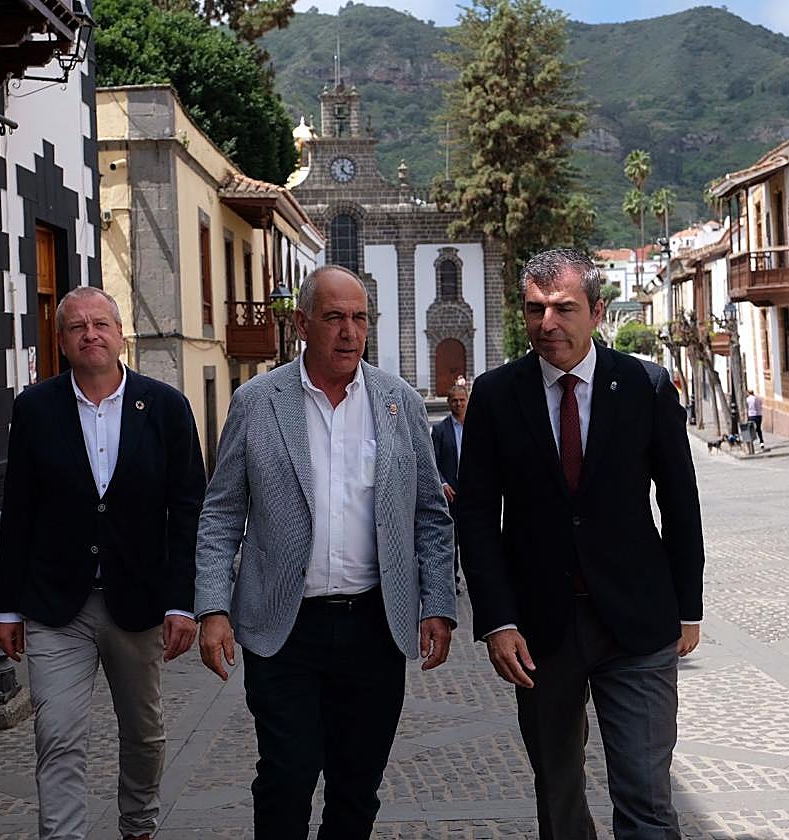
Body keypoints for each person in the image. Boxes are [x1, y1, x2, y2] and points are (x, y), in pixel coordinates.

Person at [194, 265, 456, 840]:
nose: (349, 331)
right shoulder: (257, 402)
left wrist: (438, 603)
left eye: (359, 318)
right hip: (285, 628)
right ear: (302, 323)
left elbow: (430, 515)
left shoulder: (399, 402)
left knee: (357, 785)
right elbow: (221, 512)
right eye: (334, 317)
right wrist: (212, 607)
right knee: (286, 776)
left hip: (375, 627)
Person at [456, 249, 704, 840]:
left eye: (564, 308)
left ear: (596, 311)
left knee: (647, 800)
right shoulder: (496, 395)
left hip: (637, 621)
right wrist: (497, 620)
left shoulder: (644, 385)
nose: (548, 323)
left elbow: (680, 501)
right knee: (559, 796)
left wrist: (688, 607)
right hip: (539, 630)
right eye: (535, 309)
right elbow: (476, 516)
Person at [0, 286, 206, 840]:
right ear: (61, 341)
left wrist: (184, 602)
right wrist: (7, 607)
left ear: (119, 335)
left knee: (144, 732)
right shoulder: (35, 409)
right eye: (76, 327)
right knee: (58, 734)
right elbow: (18, 511)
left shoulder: (165, 407)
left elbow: (189, 510)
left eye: (100, 324)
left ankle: (138, 824)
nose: (90, 334)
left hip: (138, 601)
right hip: (56, 604)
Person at [432, 383, 468, 591]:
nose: (458, 404)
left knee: (474, 539)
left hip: (473, 493)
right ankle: (452, 579)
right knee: (450, 540)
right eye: (454, 400)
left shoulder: (477, 426)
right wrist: (442, 483)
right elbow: (432, 463)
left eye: (462, 400)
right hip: (450, 494)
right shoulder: (440, 430)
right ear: (448, 403)